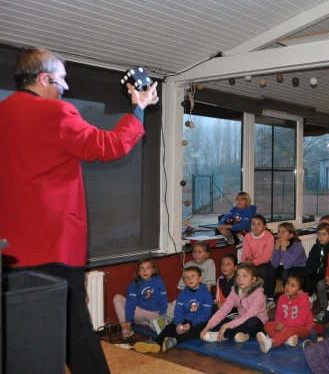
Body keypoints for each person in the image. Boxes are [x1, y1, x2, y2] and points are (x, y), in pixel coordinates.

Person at [0, 48, 159, 373]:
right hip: (54, 247)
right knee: (76, 333)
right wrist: (139, 107)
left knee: (21, 337)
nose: (66, 87)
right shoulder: (56, 112)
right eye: (61, 79)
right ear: (43, 78)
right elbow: (110, 145)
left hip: (9, 252)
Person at [134, 266, 213, 353]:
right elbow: (178, 311)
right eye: (187, 277)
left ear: (200, 279)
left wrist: (190, 324)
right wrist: (178, 323)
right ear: (184, 281)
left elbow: (205, 314)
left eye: (193, 276)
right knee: (170, 326)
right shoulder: (183, 294)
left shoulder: (206, 294)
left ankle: (174, 341)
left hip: (199, 321)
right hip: (185, 319)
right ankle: (156, 342)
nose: (190, 279)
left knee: (197, 329)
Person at [201, 263, 268, 342]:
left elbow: (248, 315)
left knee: (253, 322)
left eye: (244, 276)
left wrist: (227, 325)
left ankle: (223, 335)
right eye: (238, 276)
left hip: (255, 323)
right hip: (240, 320)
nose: (240, 279)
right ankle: (243, 335)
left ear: (253, 279)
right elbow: (224, 309)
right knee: (213, 319)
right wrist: (208, 326)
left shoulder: (259, 295)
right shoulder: (235, 291)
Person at [114, 258, 168, 341]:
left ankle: (149, 323)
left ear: (153, 270)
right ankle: (126, 328)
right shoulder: (135, 283)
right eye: (142, 268)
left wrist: (163, 315)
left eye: (148, 268)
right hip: (138, 311)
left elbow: (163, 299)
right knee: (117, 297)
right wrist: (129, 320)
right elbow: (130, 302)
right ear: (138, 272)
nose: (145, 271)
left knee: (164, 331)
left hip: (153, 313)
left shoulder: (159, 281)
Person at [257, 274, 314, 353]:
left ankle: (271, 342)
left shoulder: (304, 300)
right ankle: (287, 339)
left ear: (300, 291)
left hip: (303, 328)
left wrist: (283, 324)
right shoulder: (282, 298)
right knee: (267, 325)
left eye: (292, 286)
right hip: (285, 326)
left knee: (289, 330)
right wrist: (278, 324)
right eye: (288, 283)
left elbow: (301, 321)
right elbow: (279, 314)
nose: (288, 287)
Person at [241, 215, 275, 308]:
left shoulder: (269, 236)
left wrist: (253, 262)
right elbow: (245, 254)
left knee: (263, 271)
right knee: (240, 269)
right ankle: (244, 296)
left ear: (264, 226)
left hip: (267, 261)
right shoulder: (247, 236)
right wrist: (246, 261)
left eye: (259, 224)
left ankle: (267, 298)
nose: (255, 226)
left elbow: (266, 257)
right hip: (252, 261)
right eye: (253, 224)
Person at [267, 222, 307, 302]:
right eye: (279, 231)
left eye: (283, 231)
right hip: (288, 266)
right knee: (271, 270)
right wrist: (277, 248)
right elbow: (274, 264)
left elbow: (287, 265)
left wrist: (283, 248)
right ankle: (270, 297)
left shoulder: (297, 245)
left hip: (300, 268)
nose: (280, 234)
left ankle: (289, 296)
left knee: (285, 272)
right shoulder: (279, 242)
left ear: (291, 235)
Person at [305, 222, 329, 304]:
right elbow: (310, 260)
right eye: (319, 234)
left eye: (324, 234)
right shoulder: (315, 247)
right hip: (315, 271)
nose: (321, 237)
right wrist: (308, 271)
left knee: (320, 283)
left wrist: (327, 274)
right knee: (305, 279)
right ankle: (311, 295)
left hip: (325, 272)